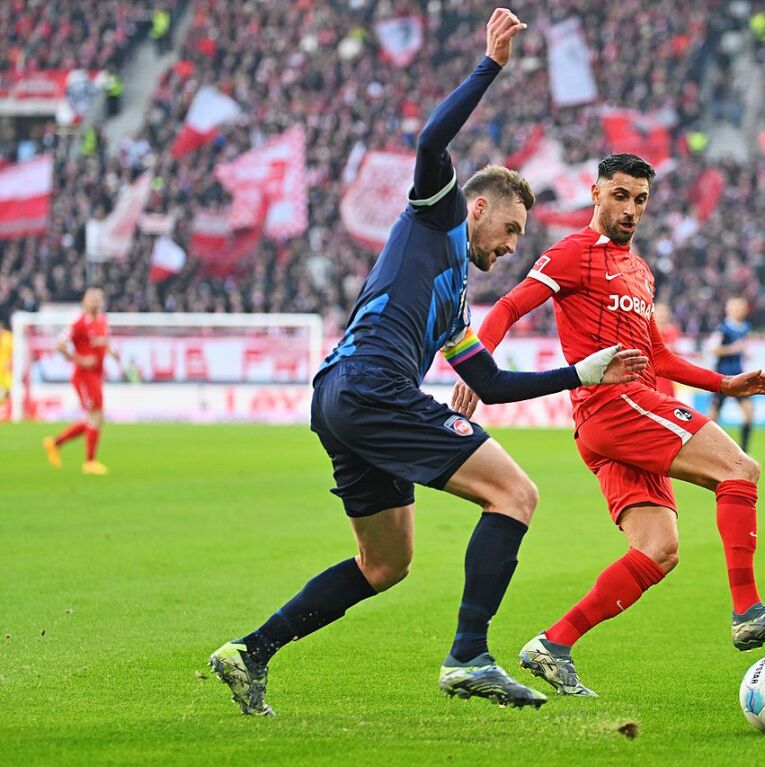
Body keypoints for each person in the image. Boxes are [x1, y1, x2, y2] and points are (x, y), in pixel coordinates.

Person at [208, 10, 647, 717]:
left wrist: (582, 372)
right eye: (509, 230)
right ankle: (469, 655)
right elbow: (431, 139)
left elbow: (489, 383)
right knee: (516, 496)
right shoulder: (437, 217)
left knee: (386, 563)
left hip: (340, 397)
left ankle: (248, 652)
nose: (509, 247)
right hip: (371, 387)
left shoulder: (453, 306)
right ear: (478, 208)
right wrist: (491, 65)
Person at [452, 153, 765, 697]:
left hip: (619, 418)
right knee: (740, 469)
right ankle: (748, 611)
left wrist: (725, 385)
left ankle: (553, 644)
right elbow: (509, 307)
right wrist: (475, 364)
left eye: (641, 200)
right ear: (597, 193)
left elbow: (660, 356)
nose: (631, 209)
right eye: (620, 196)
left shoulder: (639, 270)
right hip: (614, 404)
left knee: (658, 550)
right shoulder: (571, 254)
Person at [43, 287, 120, 475]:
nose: (95, 302)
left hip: (96, 375)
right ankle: (90, 462)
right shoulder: (78, 324)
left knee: (96, 418)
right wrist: (79, 359)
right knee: (94, 417)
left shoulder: (102, 320)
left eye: (98, 299)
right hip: (84, 376)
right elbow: (59, 344)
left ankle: (55, 443)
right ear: (84, 302)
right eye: (91, 299)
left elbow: (103, 342)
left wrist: (112, 353)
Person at [707, 297, 755, 453]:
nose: (740, 310)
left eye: (742, 307)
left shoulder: (745, 327)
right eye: (736, 307)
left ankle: (744, 452)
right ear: (729, 309)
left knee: (748, 414)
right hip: (722, 377)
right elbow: (714, 349)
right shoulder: (722, 329)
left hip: (739, 376)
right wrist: (733, 349)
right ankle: (710, 449)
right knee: (712, 417)